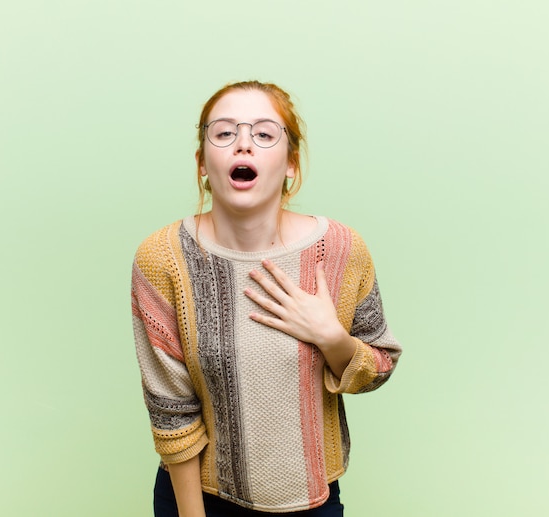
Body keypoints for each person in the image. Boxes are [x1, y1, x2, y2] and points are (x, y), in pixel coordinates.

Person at [131, 80, 402, 517]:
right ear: (203, 163)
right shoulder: (163, 258)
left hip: (313, 501)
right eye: (224, 133)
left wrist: (331, 337)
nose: (243, 145)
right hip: (198, 501)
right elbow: (170, 407)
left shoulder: (341, 250)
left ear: (291, 163)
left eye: (263, 133)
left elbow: (379, 366)